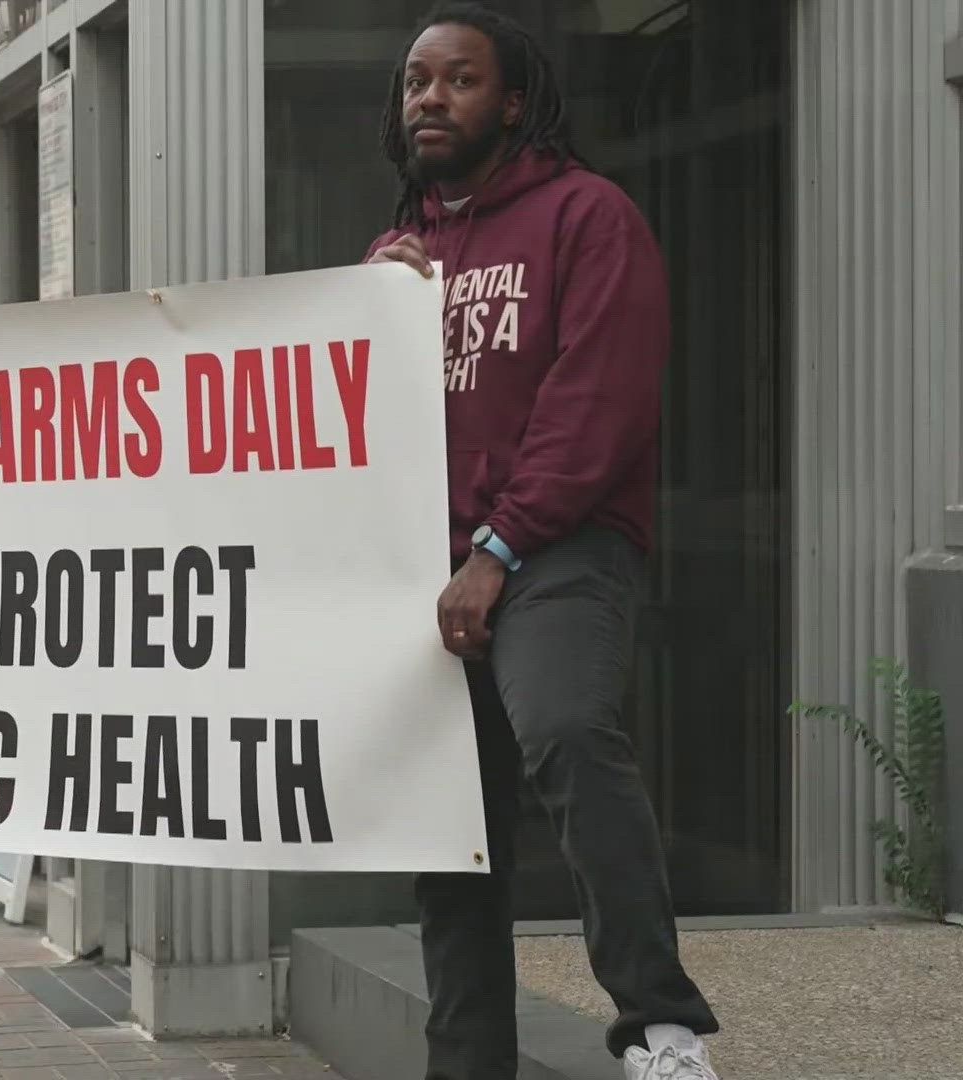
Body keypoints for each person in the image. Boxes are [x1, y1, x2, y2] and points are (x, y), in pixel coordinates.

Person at [363, 6, 720, 1080]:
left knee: (565, 730)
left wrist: (498, 548)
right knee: (448, 831)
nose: (430, 98)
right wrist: (376, 308)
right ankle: (466, 1065)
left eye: (459, 80)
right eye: (417, 82)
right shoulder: (399, 257)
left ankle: (660, 1030)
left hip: (559, 547)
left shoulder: (588, 217)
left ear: (513, 103)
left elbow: (597, 404)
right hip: (434, 567)